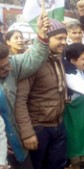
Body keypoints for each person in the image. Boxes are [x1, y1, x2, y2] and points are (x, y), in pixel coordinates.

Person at [14, 19, 68, 169]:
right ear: (46, 38)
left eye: (65, 38)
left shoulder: (57, 58)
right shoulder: (31, 62)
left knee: (57, 165)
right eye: (59, 38)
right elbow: (20, 100)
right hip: (39, 128)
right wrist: (27, 133)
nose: (64, 42)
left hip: (58, 124)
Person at [0, 14, 49, 169]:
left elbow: (34, 58)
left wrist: (41, 34)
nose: (7, 69)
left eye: (7, 64)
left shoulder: (12, 65)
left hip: (16, 144)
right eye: (1, 68)